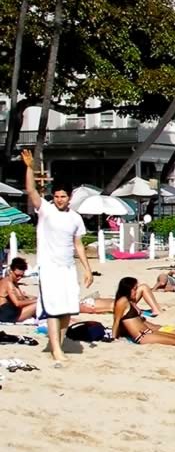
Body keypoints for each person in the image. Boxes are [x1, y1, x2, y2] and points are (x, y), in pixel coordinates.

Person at [22, 149, 93, 364]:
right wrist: (29, 167)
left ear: (69, 197)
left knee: (67, 310)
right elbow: (31, 190)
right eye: (57, 196)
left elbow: (78, 245)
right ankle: (56, 351)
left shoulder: (75, 218)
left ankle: (58, 344)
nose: (59, 199)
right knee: (53, 309)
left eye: (63, 196)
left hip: (68, 268)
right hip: (49, 267)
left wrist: (87, 269)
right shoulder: (45, 209)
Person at [0, 256, 39, 323]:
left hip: (8, 311)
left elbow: (22, 298)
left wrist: (31, 298)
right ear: (11, 271)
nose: (19, 278)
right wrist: (37, 300)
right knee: (37, 304)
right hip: (6, 314)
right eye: (17, 275)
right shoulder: (8, 283)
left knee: (34, 301)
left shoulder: (12, 281)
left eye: (22, 276)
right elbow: (17, 303)